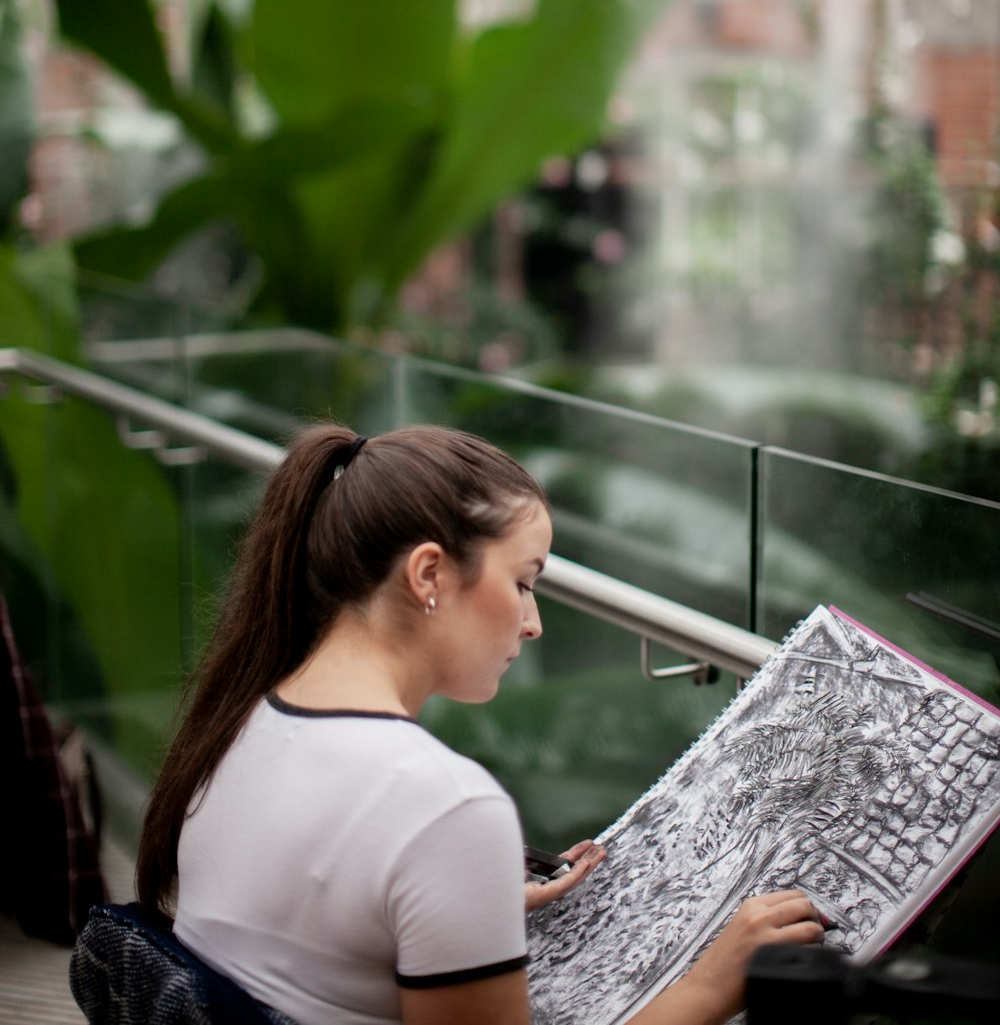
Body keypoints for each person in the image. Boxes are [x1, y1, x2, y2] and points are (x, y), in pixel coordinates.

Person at [137, 424, 822, 1025]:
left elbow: (298, 929)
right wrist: (716, 983)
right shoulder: (444, 806)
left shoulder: (240, 718)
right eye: (524, 581)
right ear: (429, 573)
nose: (533, 622)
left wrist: (466, 907)